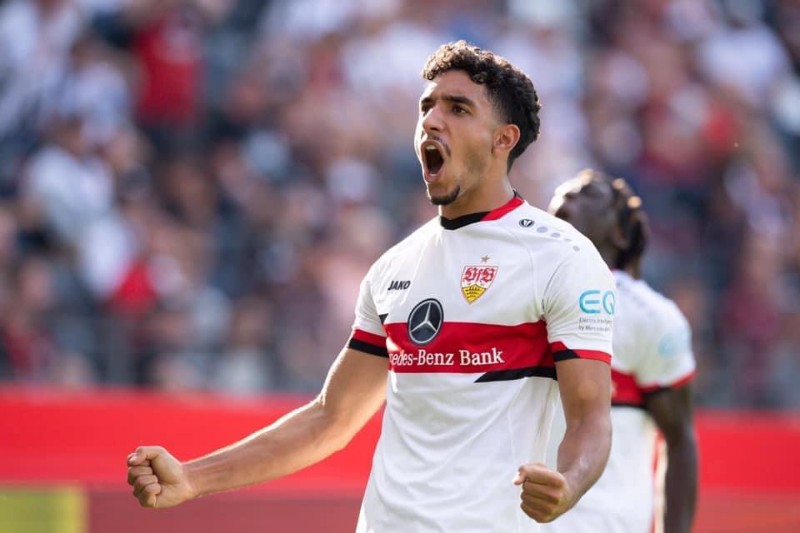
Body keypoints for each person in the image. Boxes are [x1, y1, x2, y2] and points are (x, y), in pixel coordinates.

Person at [126, 41, 616, 532]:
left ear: (503, 139)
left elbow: (591, 417)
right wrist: (192, 477)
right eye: (427, 106)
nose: (433, 121)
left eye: (458, 108)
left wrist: (568, 484)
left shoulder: (560, 257)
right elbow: (329, 418)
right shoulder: (394, 267)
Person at [543, 169, 698, 533]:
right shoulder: (516, 296)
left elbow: (680, 441)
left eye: (587, 194)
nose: (567, 198)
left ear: (620, 232)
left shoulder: (652, 318)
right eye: (562, 193)